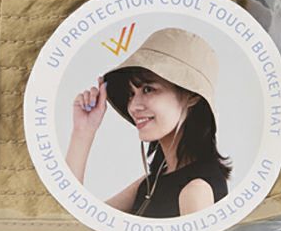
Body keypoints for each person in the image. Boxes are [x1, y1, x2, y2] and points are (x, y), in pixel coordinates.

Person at [66, 28, 231, 217]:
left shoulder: (196, 190)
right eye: (131, 94)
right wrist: (83, 130)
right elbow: (77, 222)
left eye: (148, 89)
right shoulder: (153, 183)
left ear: (192, 96)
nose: (133, 106)